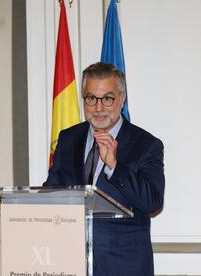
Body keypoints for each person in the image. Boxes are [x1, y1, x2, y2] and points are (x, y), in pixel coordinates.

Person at [44, 62, 165, 275]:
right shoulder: (68, 138)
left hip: (123, 265)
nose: (99, 108)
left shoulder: (146, 144)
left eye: (107, 98)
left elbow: (153, 202)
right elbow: (52, 191)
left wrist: (115, 166)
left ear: (121, 99)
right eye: (91, 98)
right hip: (69, 262)